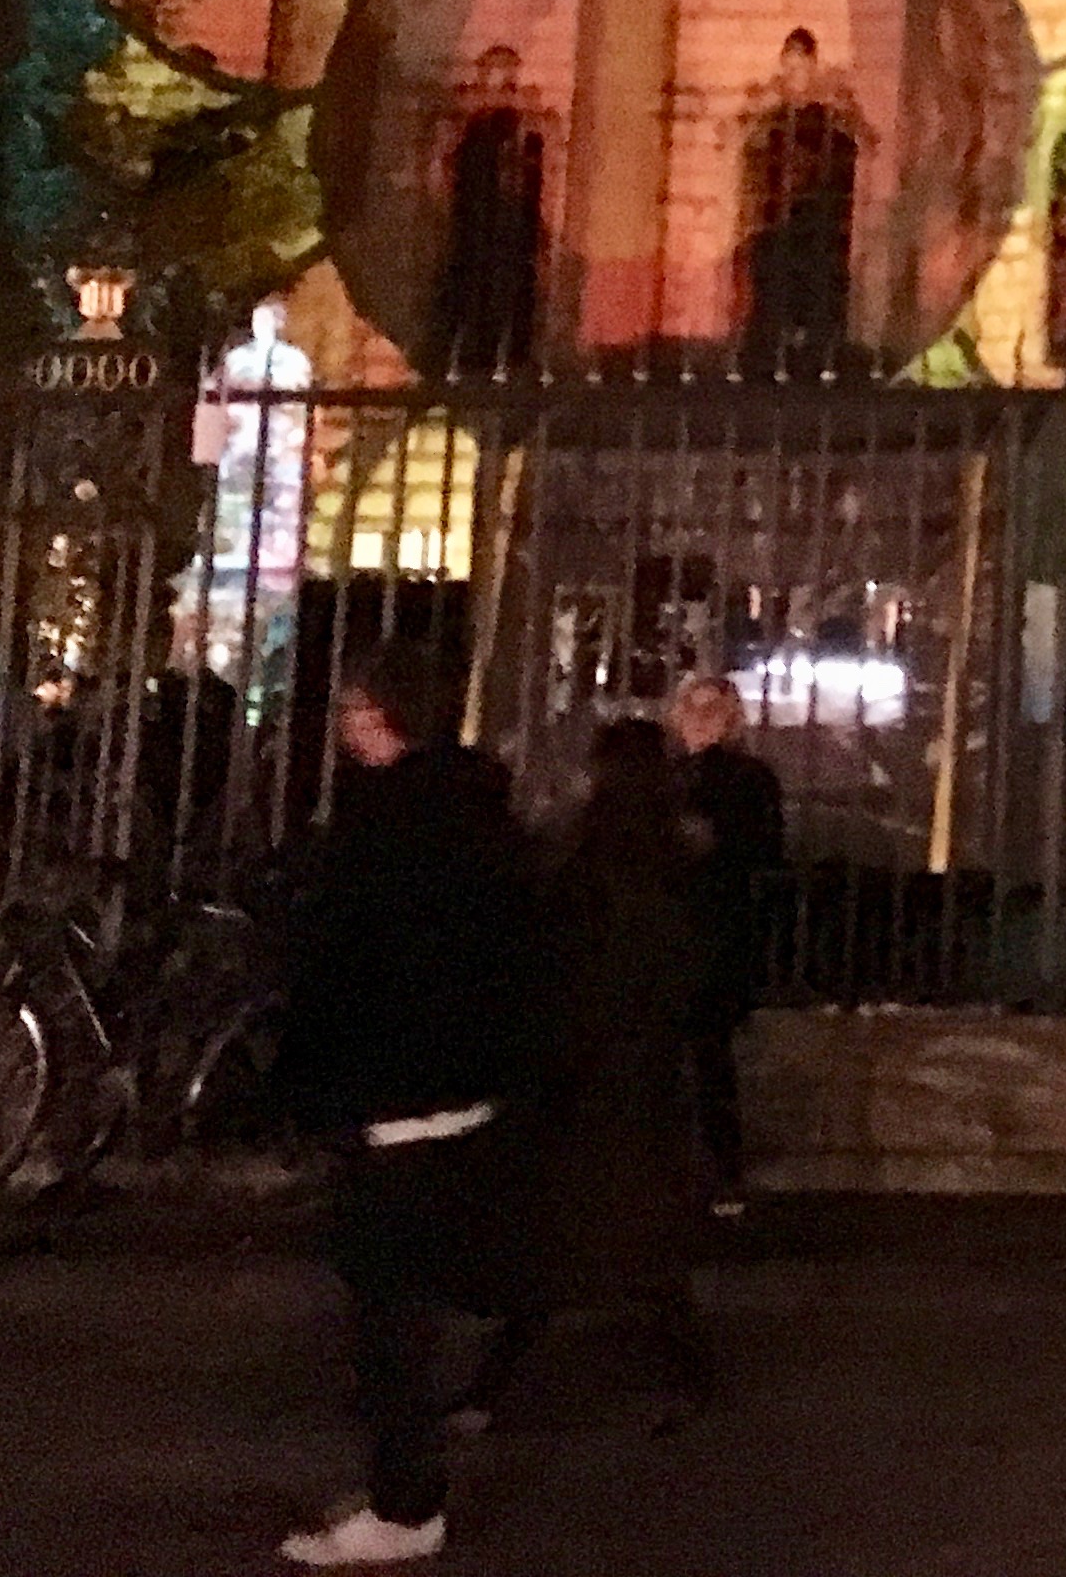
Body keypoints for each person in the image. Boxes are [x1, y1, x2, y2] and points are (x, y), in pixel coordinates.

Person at [273, 642, 540, 1567]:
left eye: (352, 710)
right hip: (466, 1093)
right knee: (413, 1306)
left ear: (378, 715)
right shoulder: (485, 819)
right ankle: (404, 1489)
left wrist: (311, 1089)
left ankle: (405, 1504)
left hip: (393, 1096)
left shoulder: (382, 829)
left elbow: (339, 970)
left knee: (389, 1322)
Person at [471, 717, 718, 1427]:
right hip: (644, 1060)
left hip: (579, 1058)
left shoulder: (576, 853)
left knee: (558, 1225)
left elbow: (545, 950)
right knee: (640, 1229)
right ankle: (684, 1373)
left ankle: (495, 1384)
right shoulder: (678, 855)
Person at [668, 675, 785, 1215]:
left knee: (701, 1056)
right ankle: (715, 1171)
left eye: (710, 710)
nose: (700, 720)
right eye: (694, 709)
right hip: (712, 928)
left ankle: (712, 1170)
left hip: (704, 927)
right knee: (705, 1056)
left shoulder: (706, 779)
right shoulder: (741, 778)